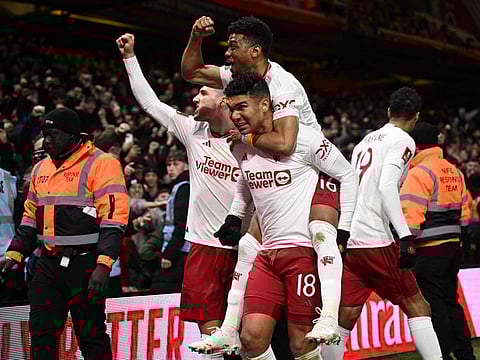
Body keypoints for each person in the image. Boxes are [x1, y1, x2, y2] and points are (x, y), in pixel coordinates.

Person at [182, 15, 352, 351]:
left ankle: (329, 316)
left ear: (255, 51)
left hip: (313, 168)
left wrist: (241, 136)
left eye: (233, 46)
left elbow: (286, 143)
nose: (227, 53)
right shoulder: (239, 79)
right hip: (275, 170)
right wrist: (194, 38)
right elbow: (191, 72)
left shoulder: (283, 85)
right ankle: (232, 329)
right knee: (248, 245)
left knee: (320, 233)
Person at [214, 71, 357, 360]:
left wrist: (343, 229)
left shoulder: (305, 139)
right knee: (251, 339)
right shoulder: (241, 144)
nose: (236, 116)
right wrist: (235, 216)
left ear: (265, 105)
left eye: (242, 107)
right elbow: (245, 183)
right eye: (231, 109)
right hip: (267, 256)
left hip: (302, 252)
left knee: (301, 345)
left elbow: (348, 174)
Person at [117, 33, 240, 360]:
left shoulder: (251, 142)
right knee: (210, 334)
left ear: (224, 100)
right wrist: (130, 57)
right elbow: (150, 103)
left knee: (249, 334)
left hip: (242, 250)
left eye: (203, 91)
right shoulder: (192, 132)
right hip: (202, 247)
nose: (195, 98)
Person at [322, 87, 443, 360]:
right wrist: (405, 237)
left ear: (389, 112)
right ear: (416, 118)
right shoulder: (404, 141)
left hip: (352, 239)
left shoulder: (364, 141)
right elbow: (387, 186)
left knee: (345, 316)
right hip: (375, 239)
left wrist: (344, 231)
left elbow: (351, 185)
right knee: (418, 306)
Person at [0, 107, 129, 359]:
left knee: (91, 337)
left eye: (53, 135)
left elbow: (114, 219)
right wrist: (14, 253)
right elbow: (29, 218)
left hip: (86, 264)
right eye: (44, 135)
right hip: (47, 264)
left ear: (73, 135)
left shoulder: (102, 164)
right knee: (41, 334)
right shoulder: (40, 169)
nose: (47, 141)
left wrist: (103, 265)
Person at [400, 122, 475, 360]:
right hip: (453, 247)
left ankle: (440, 354)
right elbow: (466, 212)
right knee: (451, 302)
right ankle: (465, 354)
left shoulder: (418, 173)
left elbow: (410, 215)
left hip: (429, 250)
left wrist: (406, 244)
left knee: (434, 305)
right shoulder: (453, 170)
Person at [139, 149, 190, 293]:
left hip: (179, 251)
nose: (171, 168)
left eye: (176, 164)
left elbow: (181, 224)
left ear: (186, 165)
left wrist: (169, 254)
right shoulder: (179, 186)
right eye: (168, 165)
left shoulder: (184, 187)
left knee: (162, 292)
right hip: (177, 249)